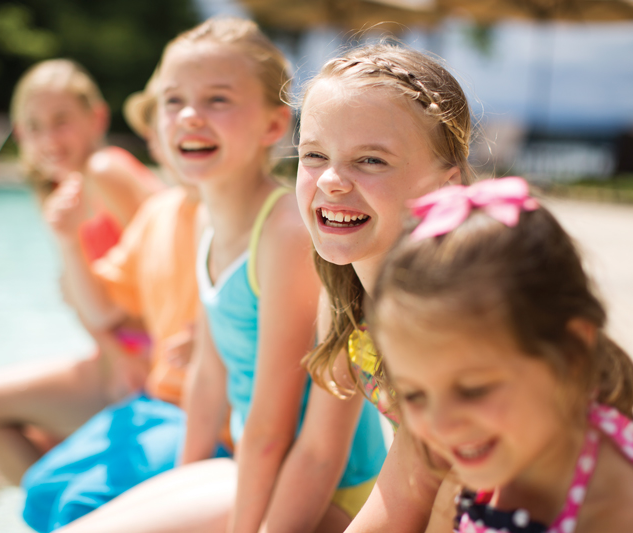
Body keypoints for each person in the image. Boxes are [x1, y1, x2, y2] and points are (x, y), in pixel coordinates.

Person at [57, 17, 386, 533]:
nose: (189, 115)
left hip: (327, 493)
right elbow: (208, 378)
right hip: (249, 468)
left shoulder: (283, 234)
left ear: (274, 128)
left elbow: (272, 428)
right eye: (172, 100)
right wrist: (181, 482)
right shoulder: (207, 221)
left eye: (217, 100)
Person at [370, 176, 633, 533]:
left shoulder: (624, 517)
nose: (441, 424)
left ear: (572, 353)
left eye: (475, 389)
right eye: (414, 394)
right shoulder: (494, 453)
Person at [17, 64, 233, 532]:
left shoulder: (232, 218)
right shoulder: (157, 214)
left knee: (75, 502)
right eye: (164, 120)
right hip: (158, 392)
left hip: (187, 405)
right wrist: (67, 241)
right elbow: (104, 303)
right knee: (41, 489)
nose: (178, 130)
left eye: (61, 120)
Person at [0, 59, 161, 488]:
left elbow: (177, 259)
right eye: (34, 125)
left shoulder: (105, 171)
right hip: (118, 359)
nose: (48, 137)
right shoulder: (61, 194)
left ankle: (65, 515)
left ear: (96, 117)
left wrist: (124, 355)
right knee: (7, 460)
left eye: (61, 120)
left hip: (145, 367)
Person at [295, 42, 472, 532]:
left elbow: (406, 502)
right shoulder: (349, 294)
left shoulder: (442, 322)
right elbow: (316, 453)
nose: (331, 180)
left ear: (445, 186)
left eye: (371, 160)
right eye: (313, 154)